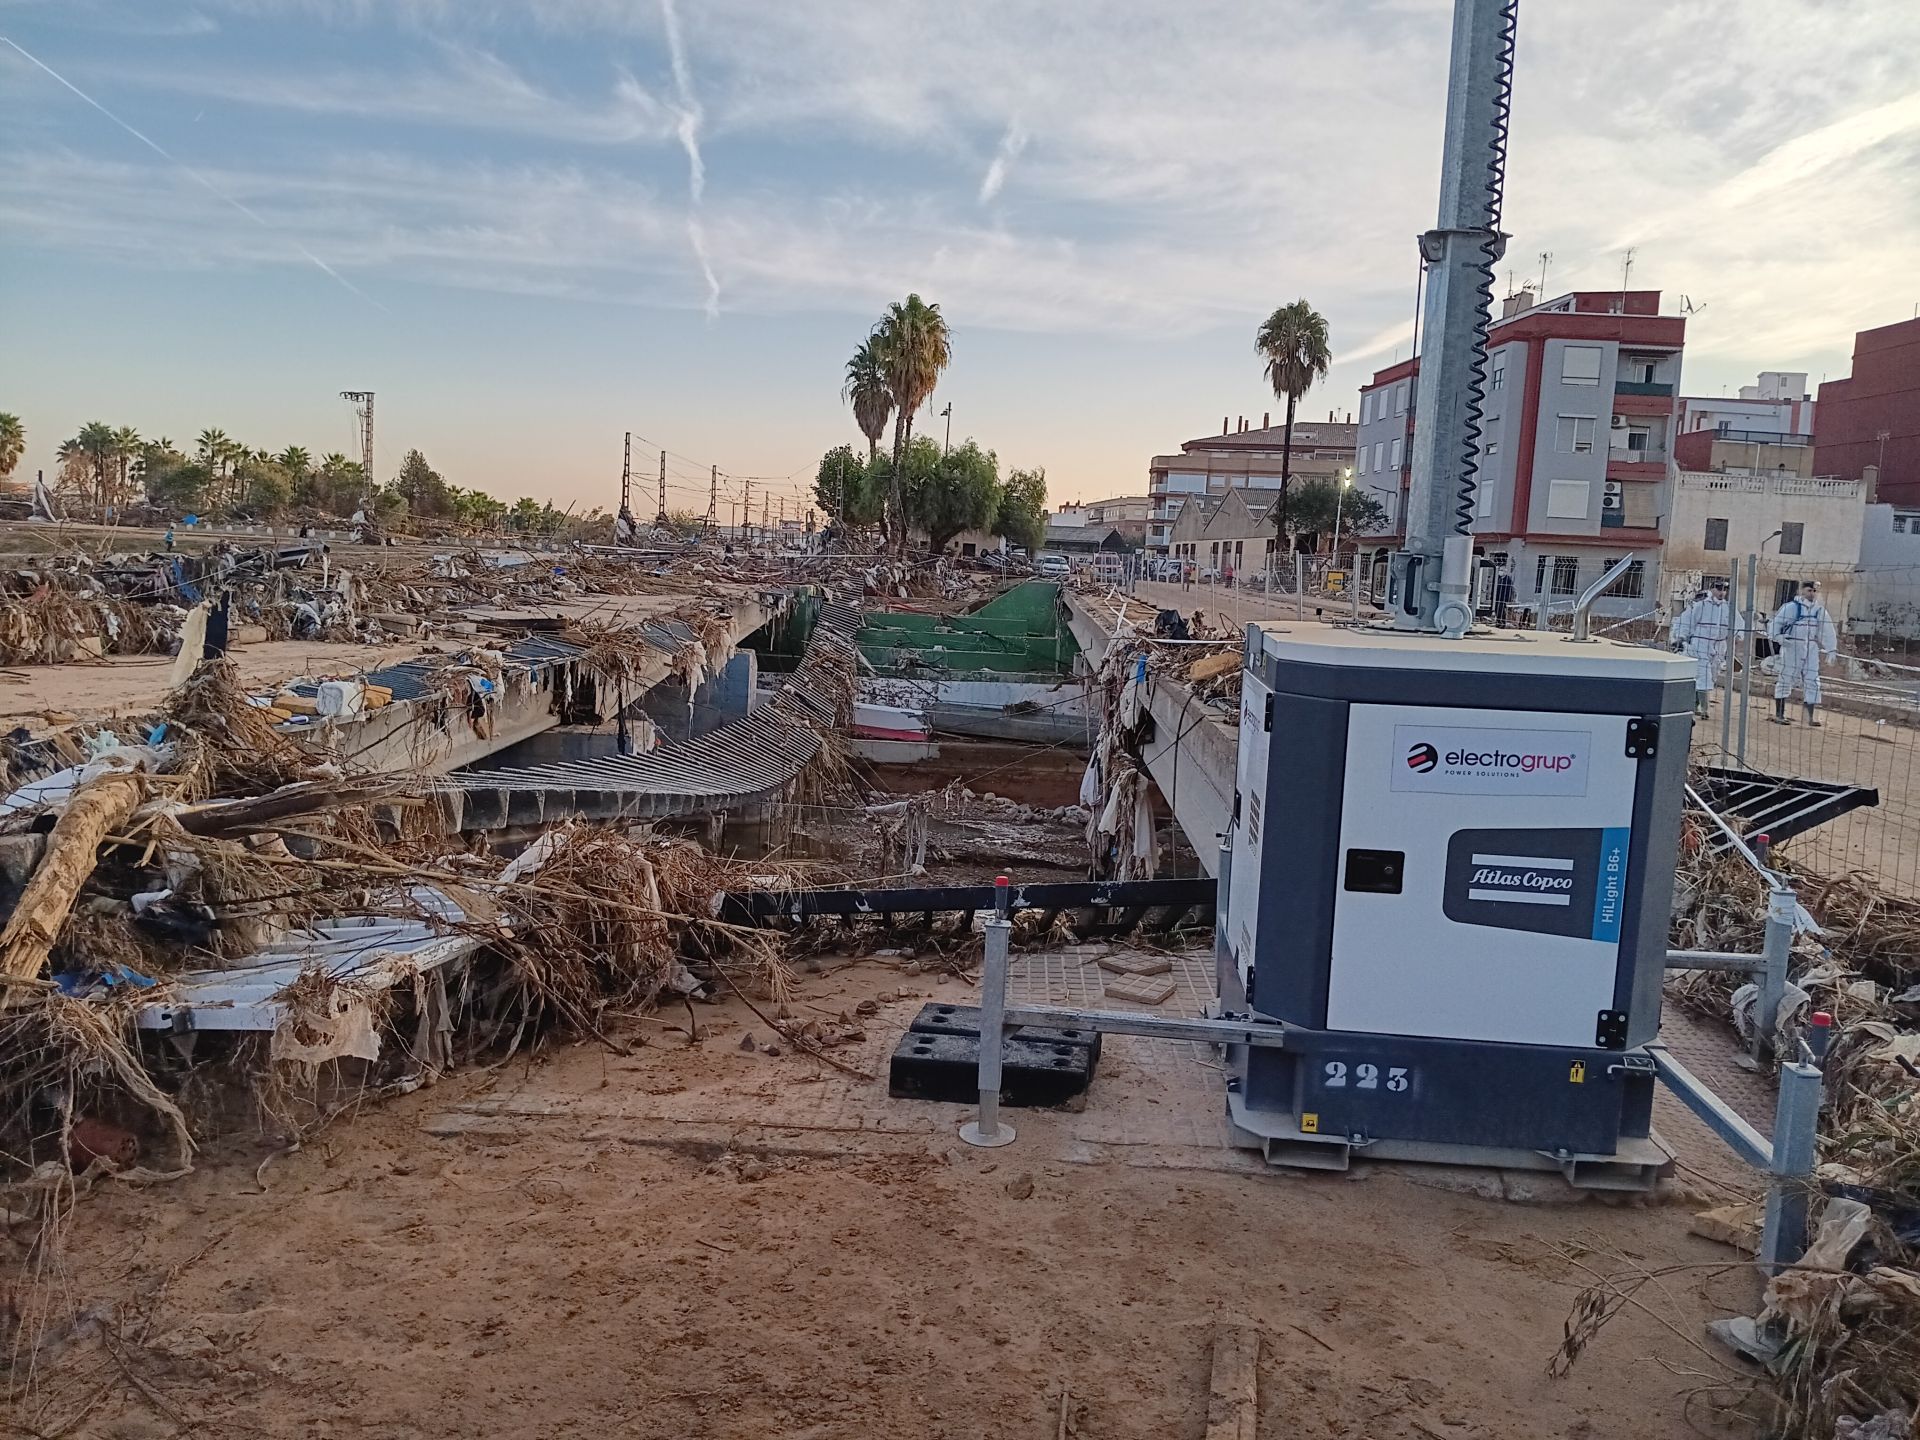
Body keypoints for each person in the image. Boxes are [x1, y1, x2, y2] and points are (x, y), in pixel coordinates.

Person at [1768, 579, 1839, 726]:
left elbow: (1827, 631)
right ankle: (1779, 714)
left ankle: (1810, 717)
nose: (1812, 594)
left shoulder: (1819, 611)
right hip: (1792, 646)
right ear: (1801, 591)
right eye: (1809, 590)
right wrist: (1778, 637)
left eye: (1814, 591)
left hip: (1811, 648)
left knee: (1812, 680)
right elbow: (1775, 624)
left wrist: (1831, 649)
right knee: (1786, 677)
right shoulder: (1790, 608)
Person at [1671, 578, 1745, 718]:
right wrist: (1681, 637)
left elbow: (1739, 625)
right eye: (1718, 589)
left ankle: (1696, 703)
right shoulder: (1700, 606)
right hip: (1700, 644)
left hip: (1719, 646)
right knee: (1703, 675)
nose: (1721, 592)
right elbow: (1685, 622)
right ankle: (1704, 709)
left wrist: (1737, 637)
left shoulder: (1728, 608)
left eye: (1724, 589)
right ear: (1712, 589)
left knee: (1713, 674)